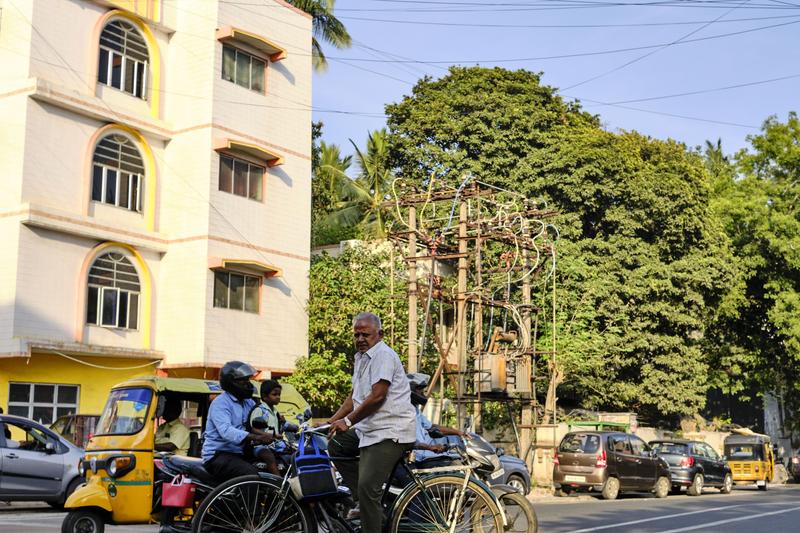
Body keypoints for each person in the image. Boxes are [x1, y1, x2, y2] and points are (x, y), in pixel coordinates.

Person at [327, 312, 417, 533]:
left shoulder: (383, 356)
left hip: (390, 431)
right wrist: (334, 420)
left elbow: (377, 396)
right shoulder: (361, 358)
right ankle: (367, 504)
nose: (360, 339)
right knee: (335, 444)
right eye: (356, 334)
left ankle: (368, 504)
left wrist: (347, 421)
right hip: (369, 429)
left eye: (365, 334)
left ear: (380, 334)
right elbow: (354, 397)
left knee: (368, 488)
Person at [202, 361, 275, 481]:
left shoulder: (249, 402)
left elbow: (261, 417)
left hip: (239, 453)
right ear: (232, 382)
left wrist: (276, 430)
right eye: (244, 380)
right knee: (250, 475)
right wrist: (256, 437)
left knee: (274, 462)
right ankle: (250, 500)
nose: (248, 384)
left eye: (248, 380)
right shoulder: (221, 403)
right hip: (218, 455)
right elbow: (226, 431)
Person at [249, 379, 285, 475]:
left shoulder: (275, 411)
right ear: (264, 396)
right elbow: (253, 428)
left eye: (279, 394)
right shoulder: (260, 410)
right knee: (268, 456)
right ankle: (278, 482)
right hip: (259, 445)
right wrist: (268, 435)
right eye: (274, 394)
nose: (278, 397)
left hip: (275, 445)